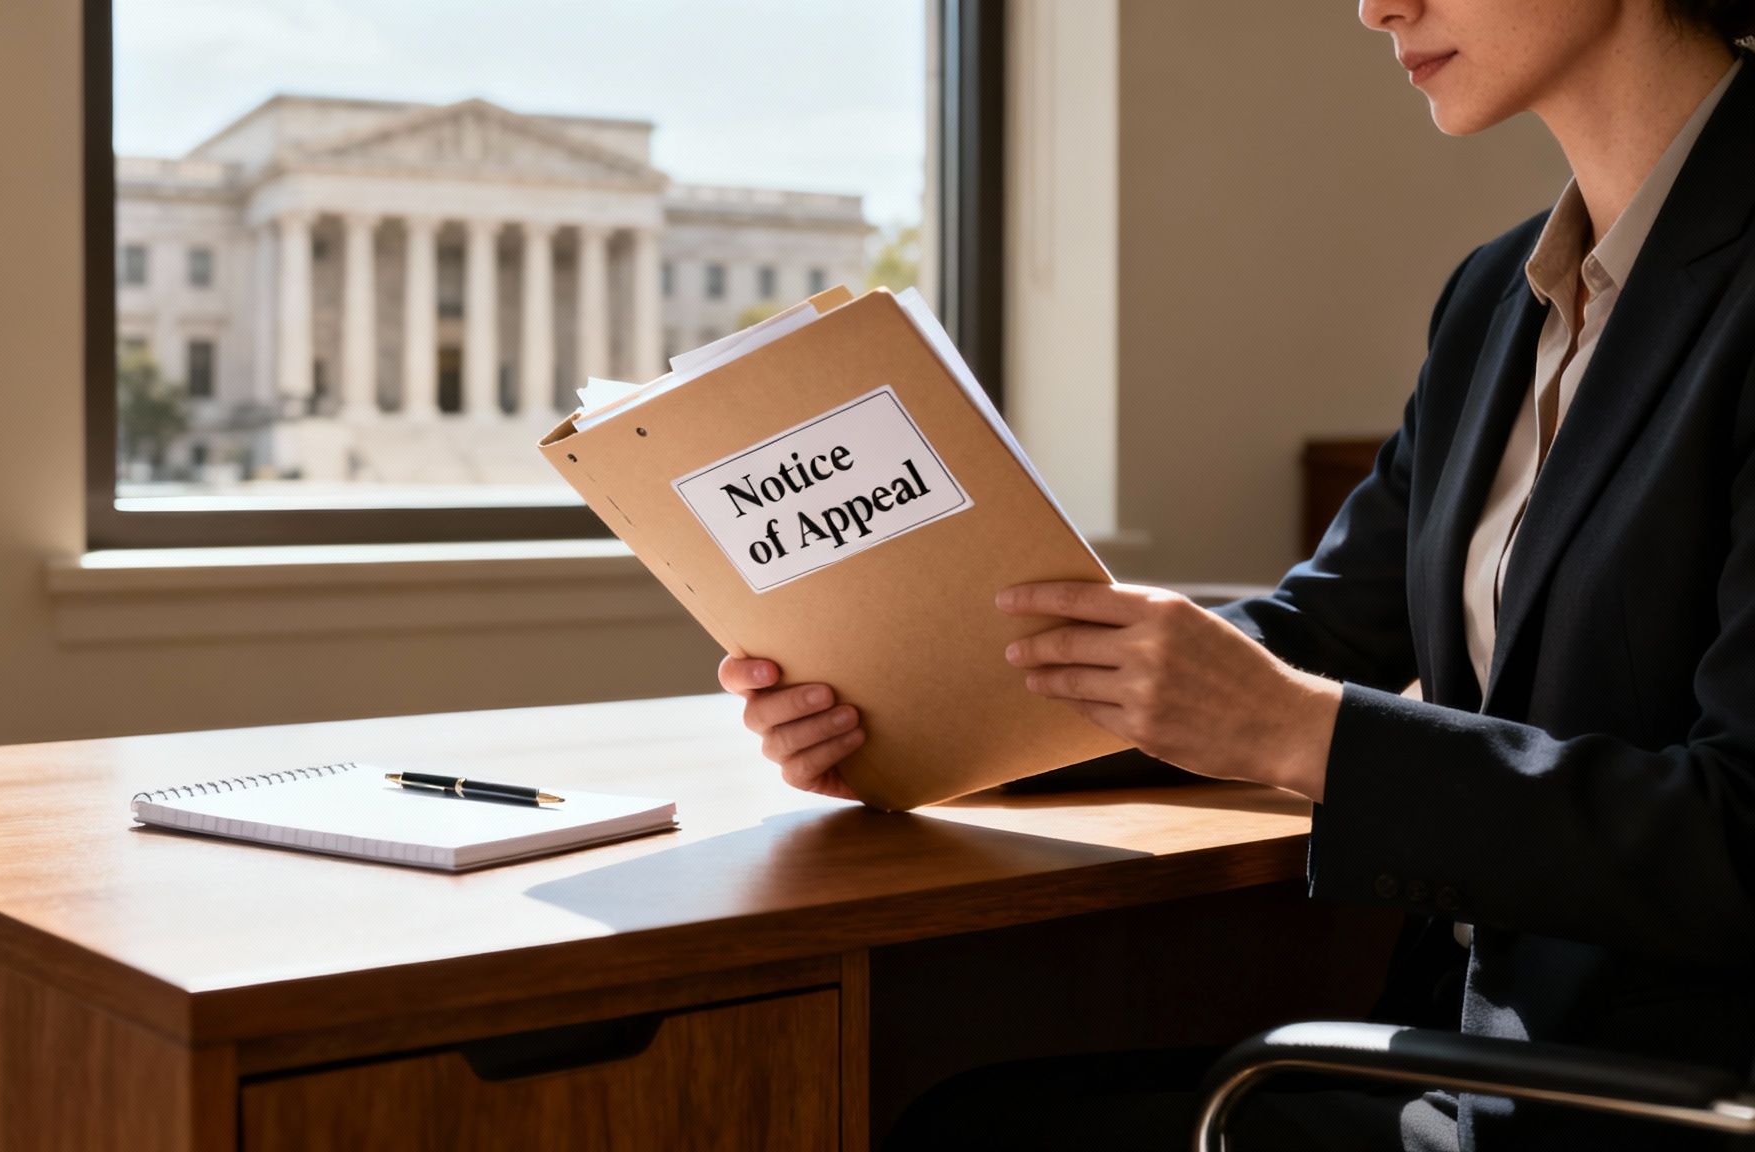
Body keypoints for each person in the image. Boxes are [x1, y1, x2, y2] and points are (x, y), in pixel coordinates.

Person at [720, 1, 1755, 1148]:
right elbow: (1312, 629)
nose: (1375, 8)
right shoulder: (1491, 302)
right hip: (1464, 1052)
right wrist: (929, 709)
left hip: (1653, 1100)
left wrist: (1303, 735)